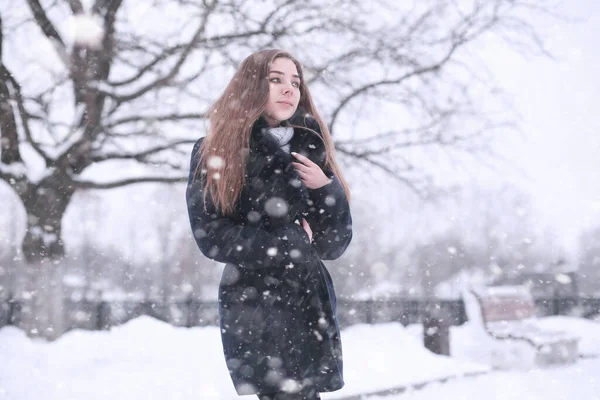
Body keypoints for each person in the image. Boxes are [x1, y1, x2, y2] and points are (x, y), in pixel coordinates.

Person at [186, 49, 352, 400]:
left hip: (311, 305)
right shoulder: (216, 151)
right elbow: (213, 236)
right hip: (255, 304)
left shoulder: (312, 149)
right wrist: (287, 242)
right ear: (250, 87)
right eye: (276, 79)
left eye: (295, 82)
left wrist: (326, 188)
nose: (289, 89)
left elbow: (334, 245)